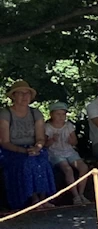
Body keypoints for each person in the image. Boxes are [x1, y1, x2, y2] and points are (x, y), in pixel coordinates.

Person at [0, 80, 56, 210]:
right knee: (27, 163)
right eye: (21, 93)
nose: (25, 96)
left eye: (27, 94)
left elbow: (41, 137)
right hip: (12, 150)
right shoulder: (5, 114)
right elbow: (4, 142)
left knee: (42, 161)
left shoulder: (35, 113)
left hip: (33, 147)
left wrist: (37, 147)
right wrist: (23, 151)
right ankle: (32, 199)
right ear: (13, 96)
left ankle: (44, 198)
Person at [45, 102, 89, 205]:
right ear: (51, 114)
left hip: (69, 151)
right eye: (58, 114)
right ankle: (75, 196)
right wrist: (52, 140)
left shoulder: (69, 125)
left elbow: (75, 142)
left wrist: (71, 141)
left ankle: (82, 193)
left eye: (63, 114)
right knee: (68, 170)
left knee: (84, 168)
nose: (61, 117)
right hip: (55, 153)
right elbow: (44, 144)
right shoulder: (47, 127)